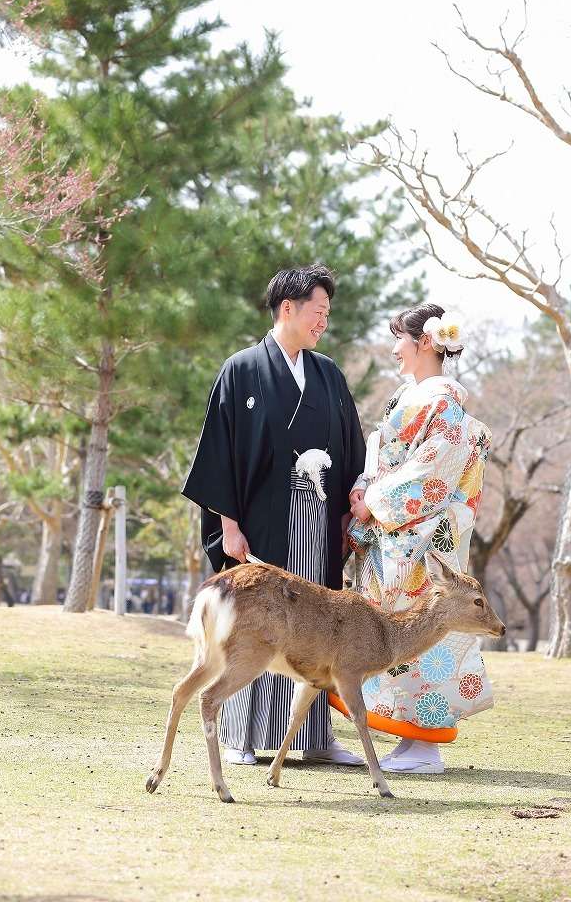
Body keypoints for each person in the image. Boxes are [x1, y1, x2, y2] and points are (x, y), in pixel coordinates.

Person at [182, 265, 367, 768]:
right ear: (288, 308)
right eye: (318, 311)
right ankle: (241, 736)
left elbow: (351, 448)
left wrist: (347, 513)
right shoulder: (241, 369)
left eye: (327, 313)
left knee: (317, 624)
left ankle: (314, 736)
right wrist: (229, 524)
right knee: (258, 623)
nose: (323, 321)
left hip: (318, 524)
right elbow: (219, 453)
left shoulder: (328, 374)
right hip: (260, 521)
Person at [349, 303, 494, 775]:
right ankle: (408, 740)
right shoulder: (410, 397)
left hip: (423, 542)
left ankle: (425, 745)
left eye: (400, 339)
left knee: (423, 635)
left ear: (425, 342)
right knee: (394, 633)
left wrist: (375, 500)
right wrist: (363, 487)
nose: (394, 349)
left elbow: (430, 473)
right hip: (396, 536)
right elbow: (383, 456)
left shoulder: (444, 404)